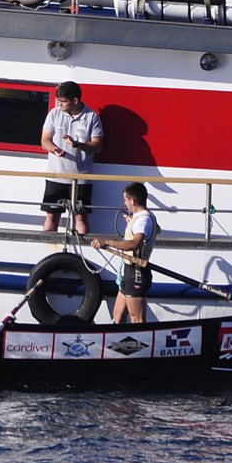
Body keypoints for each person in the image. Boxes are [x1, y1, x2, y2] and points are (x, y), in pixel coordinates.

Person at [40, 80, 103, 235]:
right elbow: (44, 141)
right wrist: (55, 149)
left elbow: (97, 146)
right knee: (51, 216)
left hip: (81, 178)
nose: (59, 104)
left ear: (75, 100)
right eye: (58, 101)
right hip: (56, 176)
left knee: (80, 218)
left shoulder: (92, 117)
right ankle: (49, 251)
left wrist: (77, 145)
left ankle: (82, 255)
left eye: (62, 101)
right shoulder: (54, 114)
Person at [92, 181, 159, 324]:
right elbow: (156, 230)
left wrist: (107, 242)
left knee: (137, 319)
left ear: (133, 201)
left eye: (125, 200)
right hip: (128, 270)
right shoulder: (141, 218)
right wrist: (131, 223)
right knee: (118, 316)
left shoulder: (143, 220)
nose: (125, 203)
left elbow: (135, 244)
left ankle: (142, 343)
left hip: (137, 272)